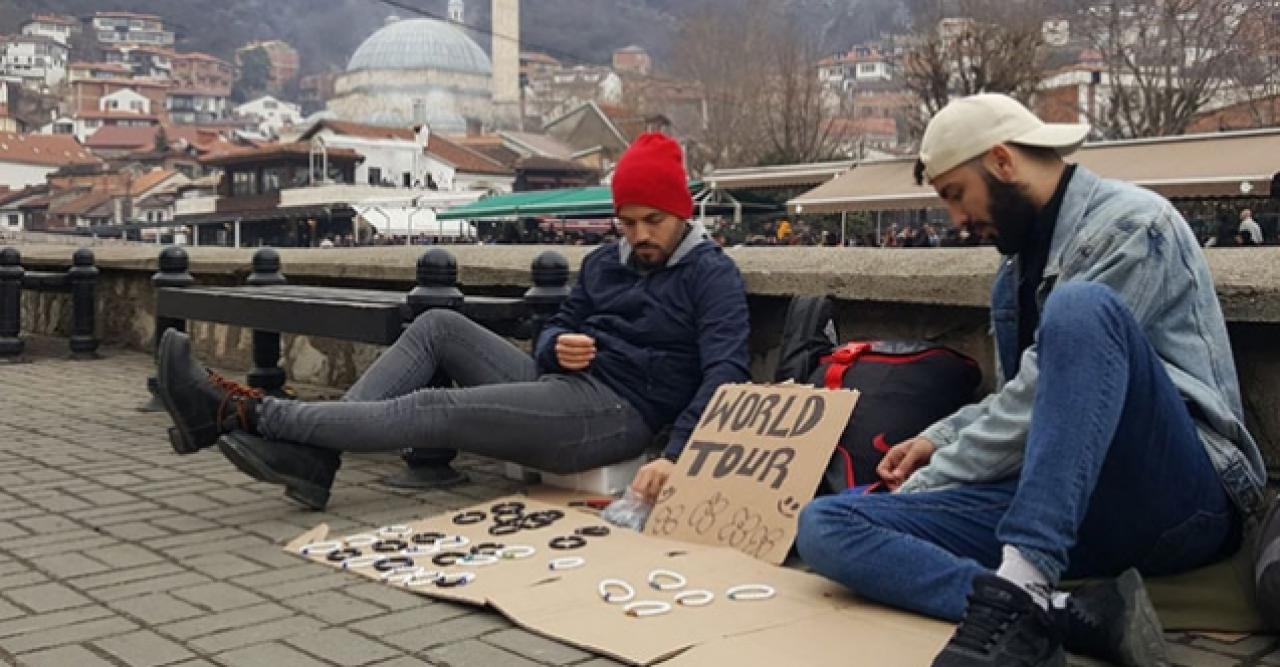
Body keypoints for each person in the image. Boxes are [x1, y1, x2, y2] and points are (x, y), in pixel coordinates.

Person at [795, 94, 1267, 667]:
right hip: (1067, 508)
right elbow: (1029, 403)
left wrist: (937, 474)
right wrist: (937, 440)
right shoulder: (1013, 272)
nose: (956, 221)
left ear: (1001, 161)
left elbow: (1039, 399)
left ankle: (1019, 590)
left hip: (1178, 501)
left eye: (954, 195)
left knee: (1081, 309)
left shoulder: (1133, 224)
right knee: (827, 524)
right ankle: (1063, 614)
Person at [154, 133, 751, 510]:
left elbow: (725, 371)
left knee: (435, 410)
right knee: (438, 324)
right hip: (564, 384)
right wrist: (554, 345)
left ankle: (243, 412)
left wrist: (676, 453)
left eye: (653, 221)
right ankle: (315, 462)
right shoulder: (602, 262)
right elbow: (555, 325)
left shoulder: (710, 274)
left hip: (620, 414)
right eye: (627, 222)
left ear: (682, 212)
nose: (640, 236)